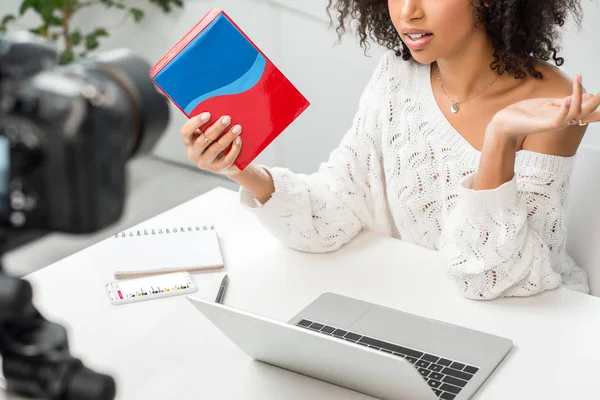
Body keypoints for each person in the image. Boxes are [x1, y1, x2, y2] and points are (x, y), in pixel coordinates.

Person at [180, 0, 600, 300]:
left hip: (534, 323)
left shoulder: (555, 103)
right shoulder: (397, 76)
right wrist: (241, 168)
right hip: (420, 304)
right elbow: (336, 209)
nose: (407, 12)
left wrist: (500, 138)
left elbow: (497, 279)